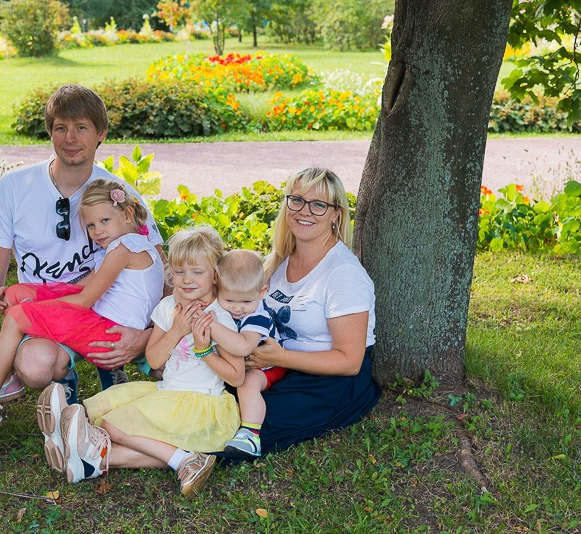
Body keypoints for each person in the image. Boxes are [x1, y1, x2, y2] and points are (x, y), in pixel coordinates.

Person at [0, 84, 164, 405]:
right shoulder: (14, 188)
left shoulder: (118, 194)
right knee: (35, 366)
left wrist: (147, 337)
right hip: (49, 311)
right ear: (50, 132)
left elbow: (159, 270)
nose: (70, 139)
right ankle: (64, 373)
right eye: (61, 128)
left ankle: (112, 370)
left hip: (106, 313)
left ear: (101, 133)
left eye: (81, 128)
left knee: (171, 358)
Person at [0, 179, 165, 436]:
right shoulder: (130, 245)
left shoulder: (122, 249)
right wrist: (20, 293)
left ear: (128, 213)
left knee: (19, 316)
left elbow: (85, 299)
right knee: (22, 296)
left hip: (110, 333)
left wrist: (34, 307)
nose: (97, 231)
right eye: (90, 225)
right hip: (106, 323)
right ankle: (5, 378)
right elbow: (78, 286)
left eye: (105, 221)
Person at [35, 226, 243, 496]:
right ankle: (84, 455)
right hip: (167, 393)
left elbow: (237, 376)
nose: (187, 280)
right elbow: (155, 360)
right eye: (179, 272)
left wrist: (204, 350)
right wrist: (178, 330)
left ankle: (182, 459)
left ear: (215, 275)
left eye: (197, 272)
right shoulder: (168, 308)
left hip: (201, 404)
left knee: (112, 425)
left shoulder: (219, 317)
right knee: (100, 408)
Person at [243, 167, 381, 455]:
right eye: (297, 200)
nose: (304, 211)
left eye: (319, 205)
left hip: (330, 381)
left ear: (336, 214)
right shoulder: (280, 259)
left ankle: (176, 457)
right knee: (209, 400)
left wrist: (279, 356)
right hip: (277, 367)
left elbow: (350, 362)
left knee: (240, 425)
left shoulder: (343, 273)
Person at [193, 249, 283, 457]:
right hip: (236, 365)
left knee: (248, 382)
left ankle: (251, 435)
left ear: (262, 292)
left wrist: (209, 324)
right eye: (230, 300)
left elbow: (243, 347)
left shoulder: (258, 316)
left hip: (267, 366)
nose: (237, 309)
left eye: (245, 302)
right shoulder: (220, 305)